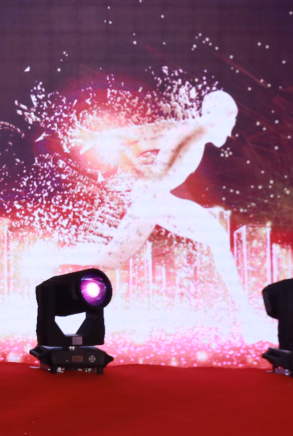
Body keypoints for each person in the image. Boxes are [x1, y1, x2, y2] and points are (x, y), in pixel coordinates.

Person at [64, 90, 270, 339]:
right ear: (218, 116)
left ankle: (59, 261)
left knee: (111, 258)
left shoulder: (188, 128)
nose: (229, 132)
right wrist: (147, 174)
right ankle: (248, 321)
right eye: (230, 122)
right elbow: (152, 142)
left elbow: (145, 132)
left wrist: (101, 137)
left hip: (151, 199)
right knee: (214, 236)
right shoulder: (197, 130)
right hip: (154, 199)